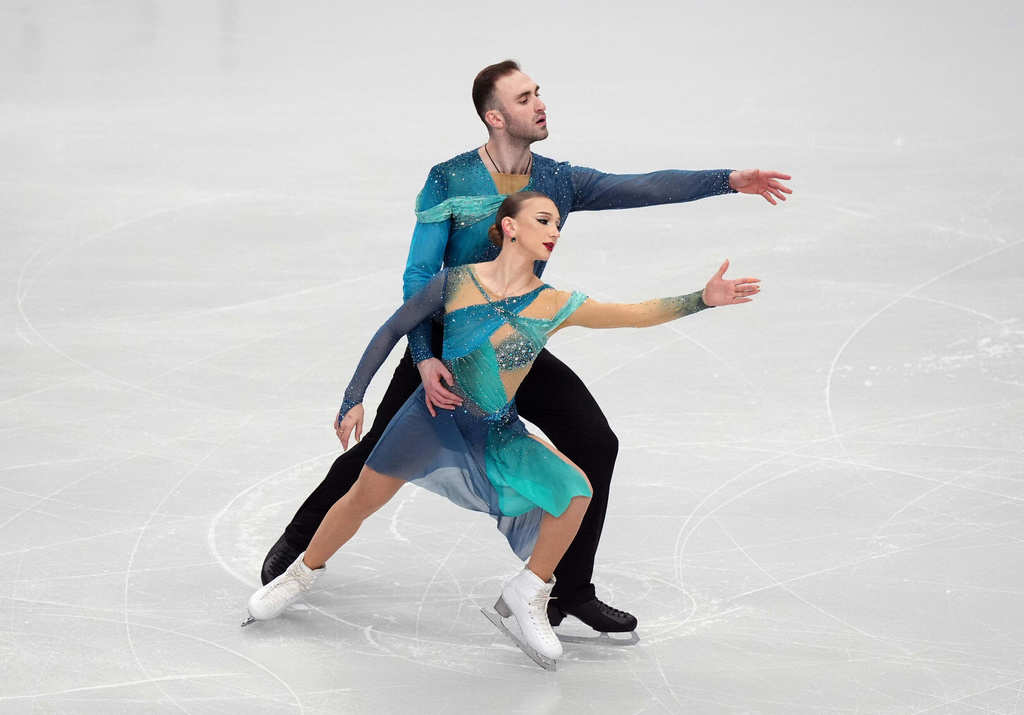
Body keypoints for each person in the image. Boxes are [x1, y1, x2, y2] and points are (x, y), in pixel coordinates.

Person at [260, 60, 791, 634]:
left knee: (595, 442)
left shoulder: (559, 181)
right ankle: (299, 541)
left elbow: (644, 186)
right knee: (377, 456)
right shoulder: (451, 179)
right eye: (524, 98)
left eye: (539, 92)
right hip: (447, 346)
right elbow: (420, 279)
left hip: (515, 344)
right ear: (495, 116)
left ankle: (569, 591)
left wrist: (728, 180)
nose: (540, 103)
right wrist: (423, 356)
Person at [245, 192, 761, 665]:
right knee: (362, 497)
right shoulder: (456, 282)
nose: (554, 229)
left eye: (558, 223)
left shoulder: (553, 303)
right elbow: (393, 330)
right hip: (429, 419)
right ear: (509, 227)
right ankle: (299, 575)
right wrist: (352, 398)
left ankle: (529, 592)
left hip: (494, 430)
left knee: (574, 490)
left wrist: (702, 298)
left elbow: (632, 313)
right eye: (543, 219)